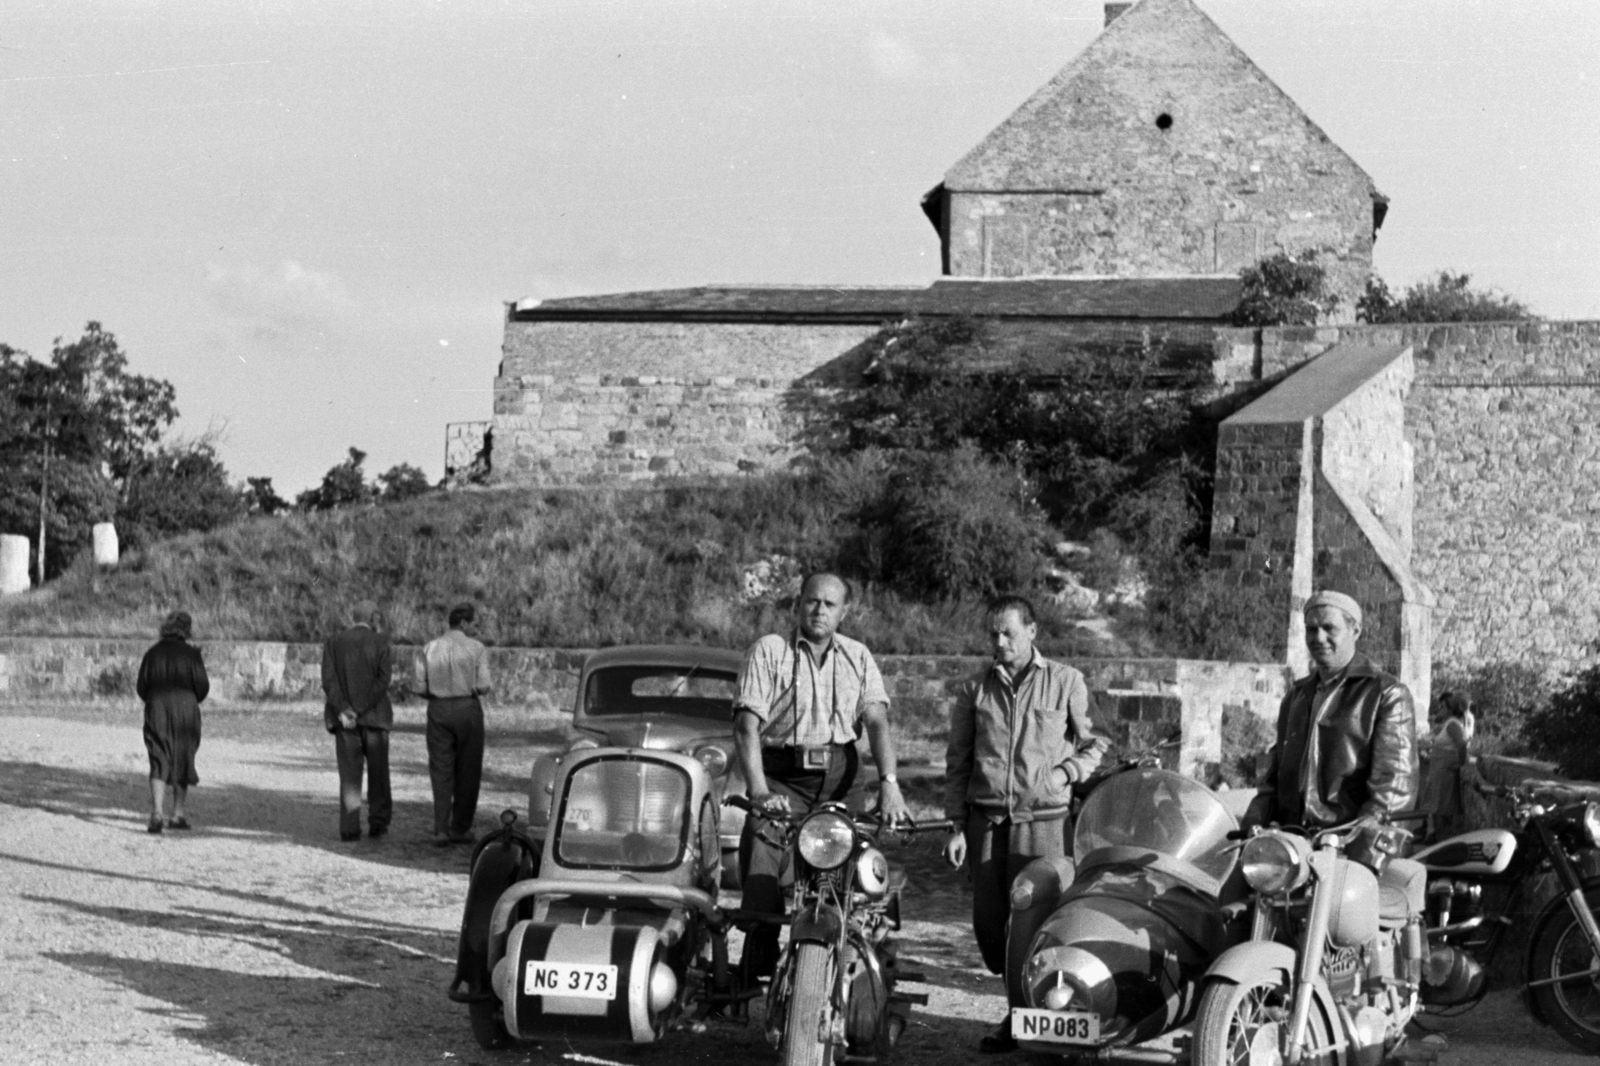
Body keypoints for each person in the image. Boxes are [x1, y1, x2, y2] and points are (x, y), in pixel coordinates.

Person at [942, 594, 1109, 1053]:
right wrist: (956, 825)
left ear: (1032, 631)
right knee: (990, 928)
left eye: (1008, 633)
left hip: (1045, 824)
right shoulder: (973, 690)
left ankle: (1024, 1020)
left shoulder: (1065, 682)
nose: (999, 642)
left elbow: (1096, 743)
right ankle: (1020, 1003)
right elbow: (958, 762)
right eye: (993, 633)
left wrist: (1064, 773)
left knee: (1039, 924)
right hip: (987, 825)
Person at [732, 572, 910, 983]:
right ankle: (759, 944)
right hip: (782, 779)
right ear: (798, 605)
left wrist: (890, 784)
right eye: (812, 601)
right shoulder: (770, 651)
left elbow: (878, 723)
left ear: (843, 612)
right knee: (764, 847)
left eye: (830, 604)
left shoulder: (858, 656)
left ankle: (857, 952)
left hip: (841, 779)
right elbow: (746, 727)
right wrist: (759, 792)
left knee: (853, 865)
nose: (819, 610)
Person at [1247, 590, 1426, 943]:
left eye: (1329, 628)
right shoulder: (1296, 697)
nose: (1318, 638)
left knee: (1342, 944)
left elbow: (1393, 789)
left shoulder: (1386, 694)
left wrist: (1359, 863)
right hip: (1292, 848)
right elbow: (1274, 778)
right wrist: (1250, 832)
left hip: (1345, 847)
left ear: (1355, 630)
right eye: (1311, 629)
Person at [322, 602, 394, 842]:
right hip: (374, 718)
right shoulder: (381, 642)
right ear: (373, 618)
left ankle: (349, 827)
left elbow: (328, 682)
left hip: (344, 722)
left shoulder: (333, 642)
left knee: (349, 775)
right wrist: (360, 709)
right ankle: (378, 822)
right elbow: (383, 682)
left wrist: (345, 710)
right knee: (379, 773)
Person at [422, 602, 492, 846]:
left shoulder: (429, 648)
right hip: (467, 709)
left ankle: (440, 828)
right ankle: (460, 827)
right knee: (468, 770)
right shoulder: (477, 648)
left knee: (440, 770)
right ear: (463, 623)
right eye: (475, 624)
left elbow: (418, 687)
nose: (477, 629)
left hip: (438, 709)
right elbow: (483, 686)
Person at [137, 610, 210, 834]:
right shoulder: (191, 654)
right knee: (183, 756)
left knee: (158, 756)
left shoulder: (152, 653)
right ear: (187, 629)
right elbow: (203, 687)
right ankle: (177, 814)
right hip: (186, 707)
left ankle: (157, 812)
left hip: (157, 705)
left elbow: (142, 686)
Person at [1419, 690, 1474, 840]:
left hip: (1446, 773)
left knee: (1442, 806)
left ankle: (1439, 837)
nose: (1440, 709)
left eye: (1443, 707)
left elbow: (1462, 745)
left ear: (1451, 710)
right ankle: (1433, 834)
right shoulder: (1449, 724)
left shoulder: (1453, 725)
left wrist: (1461, 764)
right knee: (1436, 804)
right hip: (1440, 772)